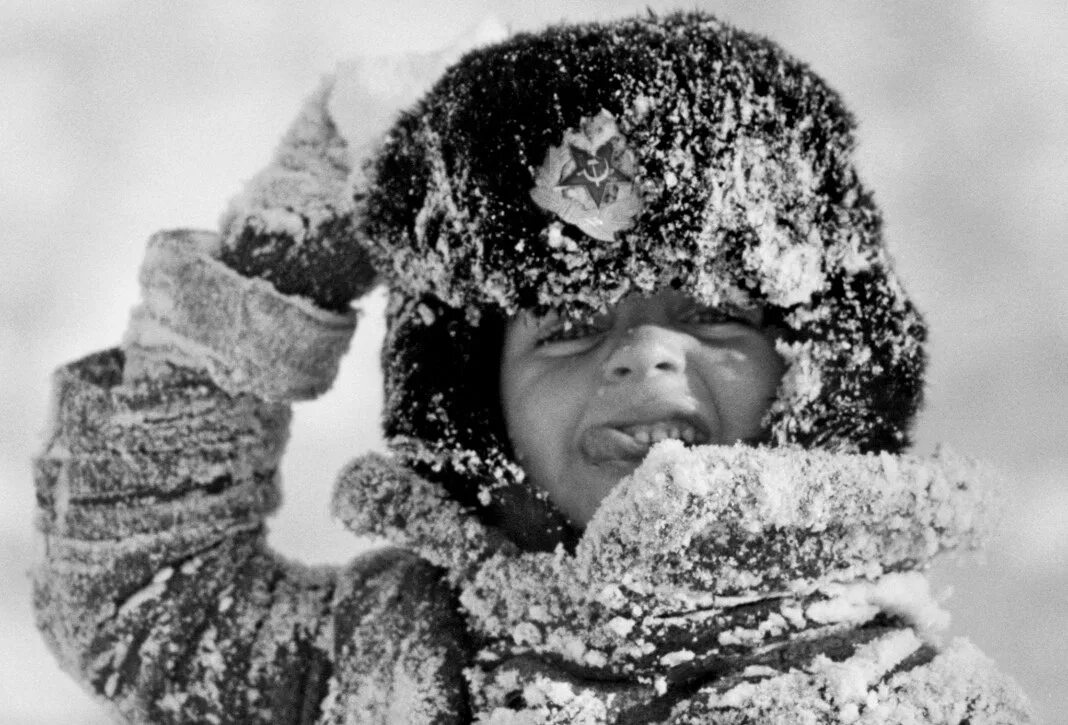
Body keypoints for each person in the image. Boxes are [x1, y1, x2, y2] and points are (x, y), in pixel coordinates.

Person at [33, 12, 1035, 723]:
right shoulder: (376, 653)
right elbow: (143, 596)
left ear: (816, 369)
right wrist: (265, 287)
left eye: (718, 316)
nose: (645, 351)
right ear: (479, 403)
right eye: (566, 321)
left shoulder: (918, 700)